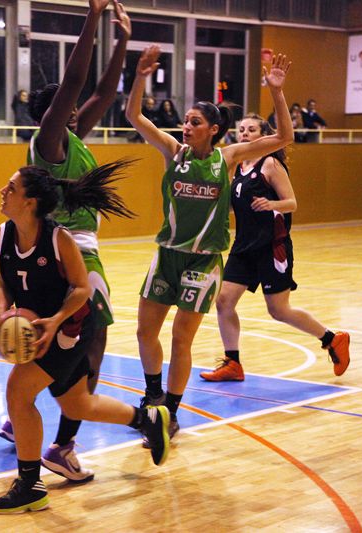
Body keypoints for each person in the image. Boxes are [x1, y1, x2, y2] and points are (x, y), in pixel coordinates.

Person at [125, 46, 294, 445]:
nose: (186, 126)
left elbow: (285, 137)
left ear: (213, 129)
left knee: (181, 338)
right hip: (167, 254)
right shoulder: (173, 151)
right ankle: (153, 397)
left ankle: (170, 413)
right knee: (145, 332)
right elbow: (134, 116)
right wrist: (140, 78)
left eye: (195, 122)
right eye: (185, 121)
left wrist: (276, 92)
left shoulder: (228, 157)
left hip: (202, 262)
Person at [0, 0, 131, 484]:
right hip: (71, 249)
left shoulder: (72, 137)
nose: (77, 109)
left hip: (62, 248)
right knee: (92, 340)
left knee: (55, 338)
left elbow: (103, 92)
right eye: (69, 106)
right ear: (54, 112)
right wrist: (92, 17)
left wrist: (122, 39)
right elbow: (76, 83)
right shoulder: (48, 142)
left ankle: (20, 417)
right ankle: (64, 446)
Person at [0, 163, 170, 514]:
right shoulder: (2, 235)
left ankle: (30, 485)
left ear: (30, 202)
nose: (3, 192)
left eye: (11, 188)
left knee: (18, 391)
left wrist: (55, 320)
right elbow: (4, 285)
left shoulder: (58, 240)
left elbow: (82, 289)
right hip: (38, 329)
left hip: (70, 329)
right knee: (77, 405)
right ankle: (147, 420)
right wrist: (3, 316)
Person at [199, 114, 350, 382]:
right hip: (243, 247)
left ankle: (331, 339)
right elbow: (235, 205)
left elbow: (292, 203)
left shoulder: (270, 164)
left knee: (278, 310)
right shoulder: (238, 166)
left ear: (264, 135)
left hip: (272, 246)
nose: (245, 134)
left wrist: (272, 205)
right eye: (241, 130)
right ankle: (233, 363)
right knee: (223, 301)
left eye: (251, 129)